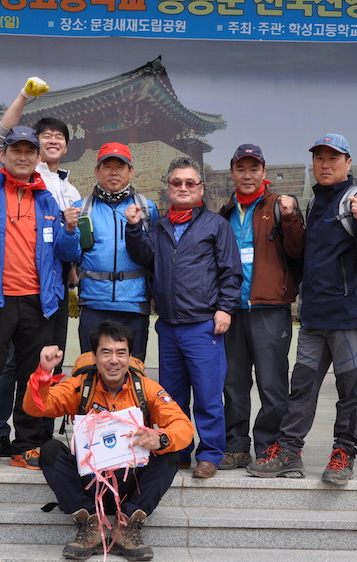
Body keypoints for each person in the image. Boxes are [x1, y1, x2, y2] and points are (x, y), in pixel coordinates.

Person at [248, 133, 357, 485]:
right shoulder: (315, 203)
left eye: (333, 158)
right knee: (301, 389)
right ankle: (289, 450)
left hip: (348, 317)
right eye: (319, 158)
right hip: (313, 317)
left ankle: (344, 455)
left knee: (349, 390)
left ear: (348, 163)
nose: (325, 164)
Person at [23, 320, 193, 561]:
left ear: (130, 356)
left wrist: (161, 438)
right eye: (106, 352)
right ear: (94, 357)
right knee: (50, 449)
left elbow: (183, 426)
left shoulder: (146, 389)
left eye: (121, 353)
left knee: (170, 454)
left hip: (131, 483)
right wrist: (43, 373)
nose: (114, 360)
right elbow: (37, 407)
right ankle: (91, 525)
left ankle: (127, 526)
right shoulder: (81, 386)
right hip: (89, 483)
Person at [0, 126, 78, 471]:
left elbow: (66, 253)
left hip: (38, 302)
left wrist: (71, 230)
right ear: (3, 154)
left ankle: (26, 445)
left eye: (30, 151)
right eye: (16, 150)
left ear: (38, 158)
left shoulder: (47, 200)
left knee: (33, 377)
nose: (23, 157)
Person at [124, 157, 241, 479]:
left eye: (190, 183)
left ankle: (210, 455)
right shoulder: (159, 226)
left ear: (201, 188)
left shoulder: (216, 225)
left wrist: (225, 308)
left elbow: (231, 272)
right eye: (177, 182)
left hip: (203, 326)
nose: (183, 188)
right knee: (171, 399)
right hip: (169, 327)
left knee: (207, 397)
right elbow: (143, 256)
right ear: (168, 188)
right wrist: (133, 228)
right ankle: (178, 451)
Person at [218, 144, 305, 470]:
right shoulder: (225, 212)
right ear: (232, 172)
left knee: (272, 384)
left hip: (270, 309)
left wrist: (292, 217)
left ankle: (270, 448)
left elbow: (298, 251)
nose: (247, 175)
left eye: (254, 168)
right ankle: (236, 446)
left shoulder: (280, 206)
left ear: (264, 172)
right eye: (241, 169)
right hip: (233, 311)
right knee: (233, 383)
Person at [68, 142, 159, 361]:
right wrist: (68, 230)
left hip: (134, 304)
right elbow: (68, 254)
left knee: (132, 369)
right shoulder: (82, 208)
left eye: (120, 166)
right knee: (91, 368)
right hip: (93, 303)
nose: (114, 172)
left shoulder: (147, 208)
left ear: (131, 171)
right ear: (97, 171)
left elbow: (154, 256)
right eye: (107, 166)